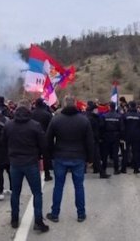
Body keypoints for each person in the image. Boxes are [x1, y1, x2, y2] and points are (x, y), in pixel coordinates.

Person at [2, 99, 49, 233]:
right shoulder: (35, 125)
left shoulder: (9, 125)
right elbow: (43, 145)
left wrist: (11, 154)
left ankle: (14, 219)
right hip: (31, 162)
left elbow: (3, 142)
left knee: (15, 192)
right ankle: (38, 221)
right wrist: (39, 155)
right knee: (37, 193)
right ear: (29, 109)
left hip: (15, 163)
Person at [46, 95, 94, 223]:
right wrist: (90, 158)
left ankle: (55, 214)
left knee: (58, 186)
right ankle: (81, 214)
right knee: (79, 186)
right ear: (75, 104)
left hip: (60, 156)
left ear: (64, 104)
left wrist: (49, 155)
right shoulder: (83, 120)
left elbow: (48, 139)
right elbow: (90, 141)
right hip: (78, 156)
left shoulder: (56, 120)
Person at [85, 101, 110, 179]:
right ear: (93, 110)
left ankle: (98, 171)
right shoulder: (92, 118)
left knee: (95, 157)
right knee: (96, 156)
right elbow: (97, 128)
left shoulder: (88, 117)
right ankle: (101, 173)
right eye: (96, 110)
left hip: (90, 139)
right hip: (92, 140)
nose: (98, 111)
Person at [31, 98, 53, 181]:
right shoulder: (47, 114)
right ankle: (47, 174)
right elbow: (51, 127)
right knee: (45, 157)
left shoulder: (31, 114)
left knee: (35, 157)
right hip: (45, 137)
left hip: (33, 138)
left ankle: (34, 174)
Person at [100, 102, 124, 175]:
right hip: (116, 136)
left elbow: (101, 127)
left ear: (109, 107)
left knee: (105, 154)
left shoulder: (104, 116)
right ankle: (116, 170)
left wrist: (101, 136)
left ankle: (103, 169)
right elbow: (122, 128)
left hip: (106, 136)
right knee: (115, 154)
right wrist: (121, 137)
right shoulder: (119, 116)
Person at [122, 101, 140, 173]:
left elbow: (122, 127)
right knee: (136, 152)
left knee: (125, 152)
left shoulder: (125, 115)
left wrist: (122, 136)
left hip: (127, 136)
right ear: (135, 106)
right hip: (137, 137)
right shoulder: (139, 115)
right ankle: (136, 169)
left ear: (129, 106)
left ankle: (123, 169)